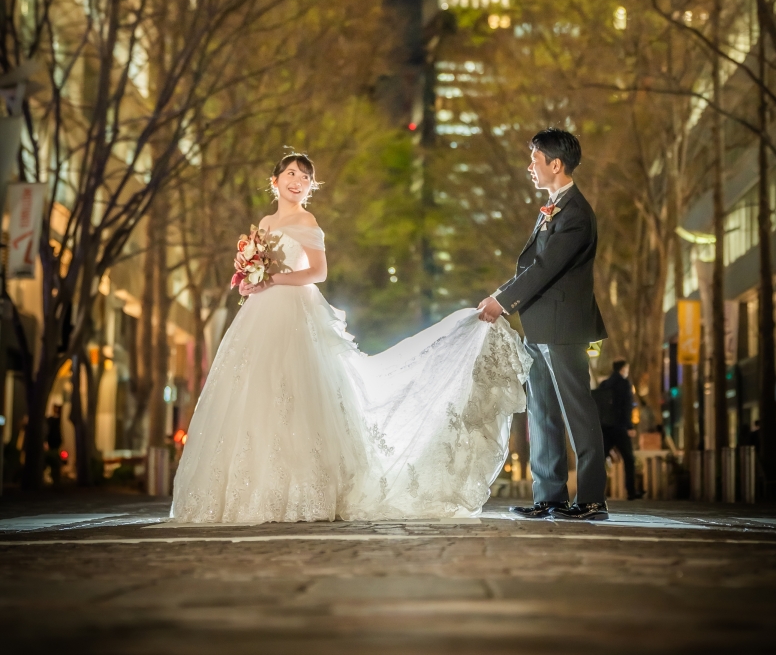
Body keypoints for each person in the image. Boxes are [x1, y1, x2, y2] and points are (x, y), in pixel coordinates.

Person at [171, 153, 531, 524]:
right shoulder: (264, 222)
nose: (298, 180)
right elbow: (263, 269)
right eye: (291, 173)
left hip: (295, 310)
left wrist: (272, 279)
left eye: (306, 177)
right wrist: (250, 280)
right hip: (261, 312)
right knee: (256, 392)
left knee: (298, 392)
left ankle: (305, 491)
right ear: (274, 180)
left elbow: (319, 272)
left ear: (311, 187)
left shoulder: (307, 220)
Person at [477, 128, 609, 521]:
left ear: (556, 164)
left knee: (577, 413)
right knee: (543, 414)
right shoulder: (553, 207)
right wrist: (502, 296)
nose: (529, 167)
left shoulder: (577, 214)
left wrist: (502, 301)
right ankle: (549, 497)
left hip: (563, 329)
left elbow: (546, 268)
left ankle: (591, 498)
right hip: (539, 327)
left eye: (534, 160)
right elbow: (534, 267)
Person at [597, 360, 639, 500]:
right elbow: (626, 407)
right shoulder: (624, 384)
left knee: (600, 460)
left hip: (605, 427)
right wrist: (629, 426)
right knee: (629, 459)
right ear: (622, 369)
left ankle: (596, 491)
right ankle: (631, 491)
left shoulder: (605, 384)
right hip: (620, 428)